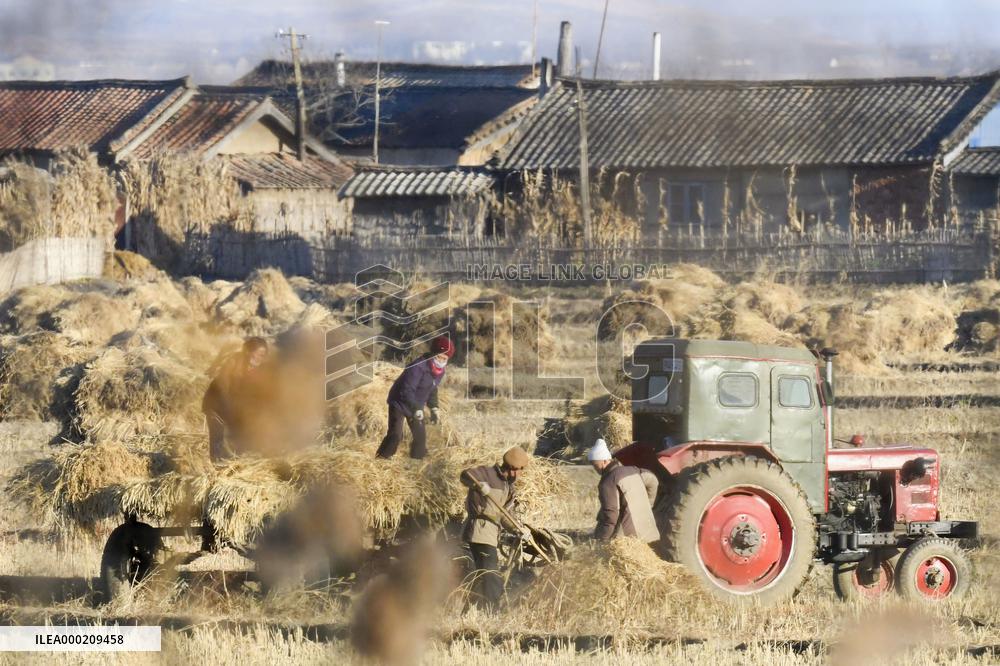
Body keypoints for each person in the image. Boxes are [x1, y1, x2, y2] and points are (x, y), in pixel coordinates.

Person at [459, 446, 531, 610]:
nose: (520, 474)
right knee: (491, 575)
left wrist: (518, 529)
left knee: (483, 574)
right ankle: (492, 611)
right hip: (479, 530)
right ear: (513, 469)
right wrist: (479, 485)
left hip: (491, 533)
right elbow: (465, 475)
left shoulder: (508, 487)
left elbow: (504, 515)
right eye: (521, 470)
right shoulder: (487, 473)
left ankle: (471, 610)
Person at [376, 335, 454, 460]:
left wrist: (434, 408)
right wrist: (416, 408)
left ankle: (415, 464)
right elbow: (407, 390)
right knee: (395, 435)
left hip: (416, 404)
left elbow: (432, 388)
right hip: (399, 402)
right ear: (433, 353)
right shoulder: (418, 367)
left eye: (444, 358)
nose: (441, 360)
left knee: (420, 438)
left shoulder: (440, 371)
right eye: (439, 356)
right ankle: (381, 459)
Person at [201, 337, 269, 462]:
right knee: (218, 439)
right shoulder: (234, 362)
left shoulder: (256, 371)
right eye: (259, 354)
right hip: (215, 405)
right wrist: (231, 412)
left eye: (264, 355)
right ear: (249, 352)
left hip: (232, 408)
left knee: (240, 441)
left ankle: (231, 466)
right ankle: (217, 470)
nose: (261, 358)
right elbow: (223, 386)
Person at [588, 438, 660, 543]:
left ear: (604, 461)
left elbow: (611, 515)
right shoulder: (632, 470)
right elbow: (653, 480)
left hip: (629, 539)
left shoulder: (608, 481)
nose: (594, 468)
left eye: (595, 464)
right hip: (647, 531)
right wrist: (648, 504)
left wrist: (602, 540)